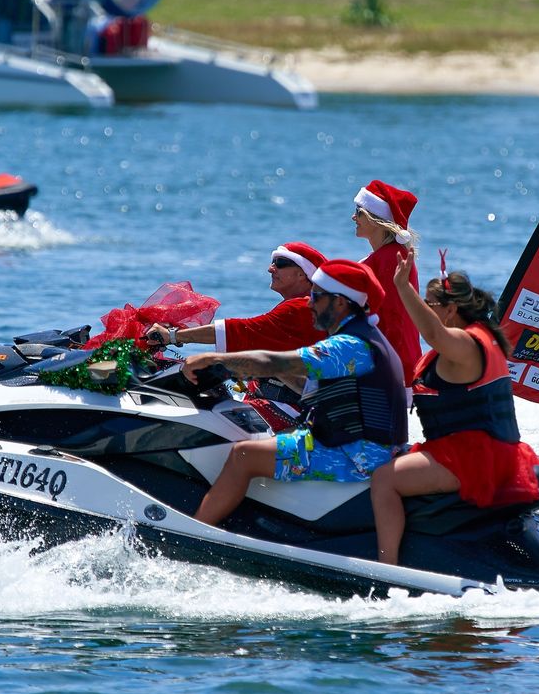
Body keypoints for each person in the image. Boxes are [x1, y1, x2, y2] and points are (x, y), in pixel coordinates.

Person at [181, 259, 408, 527]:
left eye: (316, 297)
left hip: (355, 457)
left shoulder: (348, 345)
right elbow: (308, 388)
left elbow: (273, 361)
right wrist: (256, 371)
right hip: (366, 447)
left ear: (339, 303)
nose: (309, 303)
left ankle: (197, 532)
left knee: (244, 456)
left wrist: (212, 359)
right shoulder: (365, 335)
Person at [370, 249, 539, 565]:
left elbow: (433, 333)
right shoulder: (479, 339)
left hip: (472, 457)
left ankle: (387, 565)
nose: (423, 309)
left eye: (429, 304)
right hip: (478, 450)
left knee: (384, 479)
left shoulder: (464, 345)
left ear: (450, 310)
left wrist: (402, 287)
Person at [145, 242, 328, 353]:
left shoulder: (301, 307)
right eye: (272, 262)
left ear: (303, 274)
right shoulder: (301, 305)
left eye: (280, 263)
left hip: (286, 407)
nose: (270, 269)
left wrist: (173, 336)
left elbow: (242, 329)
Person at [352, 180, 423, 385]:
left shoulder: (391, 258)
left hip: (391, 369)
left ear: (375, 219)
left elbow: (393, 318)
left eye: (359, 211)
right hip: (396, 363)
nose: (353, 217)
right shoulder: (389, 255)